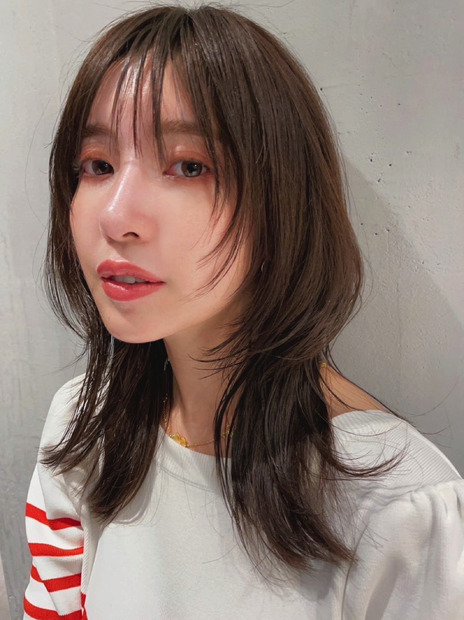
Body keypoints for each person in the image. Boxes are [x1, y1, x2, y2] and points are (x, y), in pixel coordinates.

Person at [24, 5, 463, 619]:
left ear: (281, 198)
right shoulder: (84, 424)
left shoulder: (396, 507)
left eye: (189, 166)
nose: (117, 217)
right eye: (98, 166)